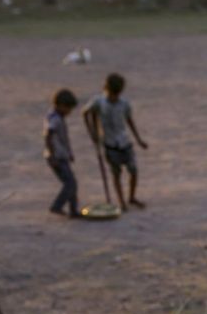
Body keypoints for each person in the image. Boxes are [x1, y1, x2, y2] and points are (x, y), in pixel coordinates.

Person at [83, 72, 150, 210]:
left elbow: (129, 120)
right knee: (116, 174)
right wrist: (93, 133)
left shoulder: (124, 103)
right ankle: (121, 202)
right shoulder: (98, 102)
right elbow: (86, 113)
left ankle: (131, 197)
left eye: (117, 95)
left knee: (133, 170)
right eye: (112, 94)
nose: (114, 97)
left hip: (125, 142)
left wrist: (138, 139)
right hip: (110, 144)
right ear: (106, 89)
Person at [44, 89, 80, 219]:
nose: (69, 112)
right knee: (70, 183)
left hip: (61, 155)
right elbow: (48, 135)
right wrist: (52, 155)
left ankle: (73, 211)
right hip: (57, 157)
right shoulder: (55, 120)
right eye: (68, 109)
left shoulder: (54, 116)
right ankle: (57, 206)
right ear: (60, 105)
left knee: (72, 183)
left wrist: (69, 153)